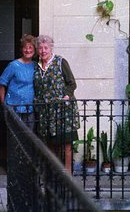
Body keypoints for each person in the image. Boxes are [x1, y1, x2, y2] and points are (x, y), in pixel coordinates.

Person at [34, 35, 79, 171]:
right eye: (40, 48)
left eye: (46, 48)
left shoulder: (60, 62)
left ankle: (67, 175)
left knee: (66, 145)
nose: (43, 51)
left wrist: (67, 95)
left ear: (51, 48)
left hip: (63, 110)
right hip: (46, 112)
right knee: (50, 145)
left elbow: (72, 83)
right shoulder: (36, 66)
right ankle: (53, 174)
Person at [0, 34, 36, 129]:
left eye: (30, 47)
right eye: (25, 47)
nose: (28, 50)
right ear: (21, 49)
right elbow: (1, 83)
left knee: (29, 137)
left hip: (29, 108)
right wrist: (3, 103)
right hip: (14, 108)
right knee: (14, 138)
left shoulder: (36, 66)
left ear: (34, 50)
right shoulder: (13, 65)